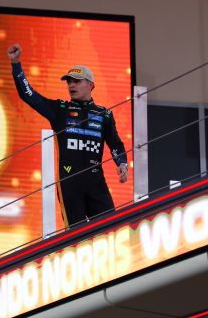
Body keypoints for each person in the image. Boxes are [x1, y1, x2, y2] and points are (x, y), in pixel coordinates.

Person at [7, 43, 128, 227]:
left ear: (91, 85)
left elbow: (115, 143)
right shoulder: (60, 110)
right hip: (69, 182)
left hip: (96, 181)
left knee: (111, 229)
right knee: (76, 236)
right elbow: (29, 95)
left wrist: (122, 163)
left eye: (77, 81)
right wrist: (16, 65)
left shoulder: (104, 114)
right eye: (69, 81)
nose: (71, 85)